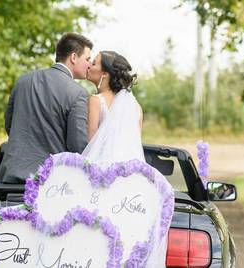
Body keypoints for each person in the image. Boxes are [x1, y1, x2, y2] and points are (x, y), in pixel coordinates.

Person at [82, 51, 174, 267]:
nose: (89, 66)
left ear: (104, 73)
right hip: (129, 183)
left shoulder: (96, 101)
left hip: (101, 180)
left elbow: (91, 144)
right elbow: (134, 146)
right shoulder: (136, 107)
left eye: (93, 63)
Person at [0, 33, 93, 184]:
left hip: (10, 176)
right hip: (49, 182)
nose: (89, 64)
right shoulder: (78, 93)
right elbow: (78, 147)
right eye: (87, 59)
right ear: (73, 57)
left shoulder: (23, 81)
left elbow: (9, 126)